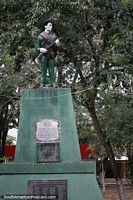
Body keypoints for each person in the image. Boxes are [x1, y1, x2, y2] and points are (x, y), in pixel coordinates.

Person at [36, 19, 60, 87]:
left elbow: (58, 48)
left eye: (51, 25)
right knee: (43, 70)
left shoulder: (54, 36)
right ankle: (42, 83)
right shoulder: (40, 36)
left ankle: (53, 83)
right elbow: (37, 47)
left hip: (51, 55)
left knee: (51, 70)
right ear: (45, 26)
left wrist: (57, 44)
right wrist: (41, 49)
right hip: (44, 55)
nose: (51, 26)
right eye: (49, 25)